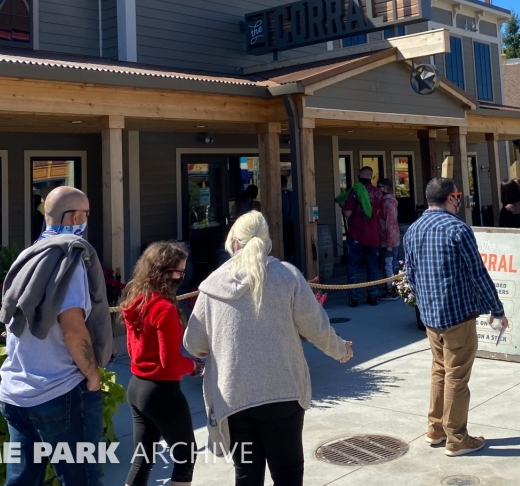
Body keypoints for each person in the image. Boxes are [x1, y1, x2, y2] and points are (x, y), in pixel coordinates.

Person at [183, 211, 352, 486]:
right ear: (266, 240)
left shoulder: (212, 285)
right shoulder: (287, 276)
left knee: (247, 477)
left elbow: (194, 343)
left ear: (234, 242)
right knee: (288, 474)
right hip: (283, 390)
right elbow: (315, 326)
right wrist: (340, 349)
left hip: (233, 395)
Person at [0, 186, 115, 486]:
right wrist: (92, 375)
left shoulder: (27, 256)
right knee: (83, 479)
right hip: (59, 390)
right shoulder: (69, 260)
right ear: (76, 216)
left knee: (22, 480)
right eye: (86, 214)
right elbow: (73, 327)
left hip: (15, 391)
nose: (87, 220)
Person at [404, 177, 507, 457]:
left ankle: (435, 429)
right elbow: (478, 274)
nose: (460, 200)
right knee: (457, 377)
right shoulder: (458, 229)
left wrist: (424, 306)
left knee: (440, 370)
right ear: (451, 198)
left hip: (430, 315)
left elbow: (410, 275)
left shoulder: (413, 229)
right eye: (458, 195)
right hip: (457, 313)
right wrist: (496, 308)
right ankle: (457, 438)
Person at [121, 241, 204, 486]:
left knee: (143, 459)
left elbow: (131, 350)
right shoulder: (164, 309)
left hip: (137, 387)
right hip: (162, 391)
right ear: (164, 272)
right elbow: (170, 361)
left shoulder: (136, 301)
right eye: (178, 272)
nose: (182, 277)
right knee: (186, 455)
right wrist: (194, 367)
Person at [335, 166, 383, 306]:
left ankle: (354, 298)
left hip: (356, 234)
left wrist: (342, 207)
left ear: (359, 175)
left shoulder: (355, 192)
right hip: (373, 234)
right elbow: (378, 212)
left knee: (353, 265)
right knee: (372, 265)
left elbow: (348, 213)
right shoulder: (378, 193)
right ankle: (373, 296)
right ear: (372, 177)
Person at [376, 178, 401, 299]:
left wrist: (390, 244)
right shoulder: (384, 202)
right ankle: (392, 288)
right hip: (386, 239)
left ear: (386, 188)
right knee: (390, 264)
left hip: (389, 240)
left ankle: (392, 291)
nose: (377, 188)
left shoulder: (388, 203)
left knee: (389, 265)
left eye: (379, 186)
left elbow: (390, 224)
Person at [281, 175, 296, 263]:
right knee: (293, 247)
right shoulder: (293, 194)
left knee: (286, 247)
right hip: (294, 223)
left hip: (284, 224)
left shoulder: (279, 197)